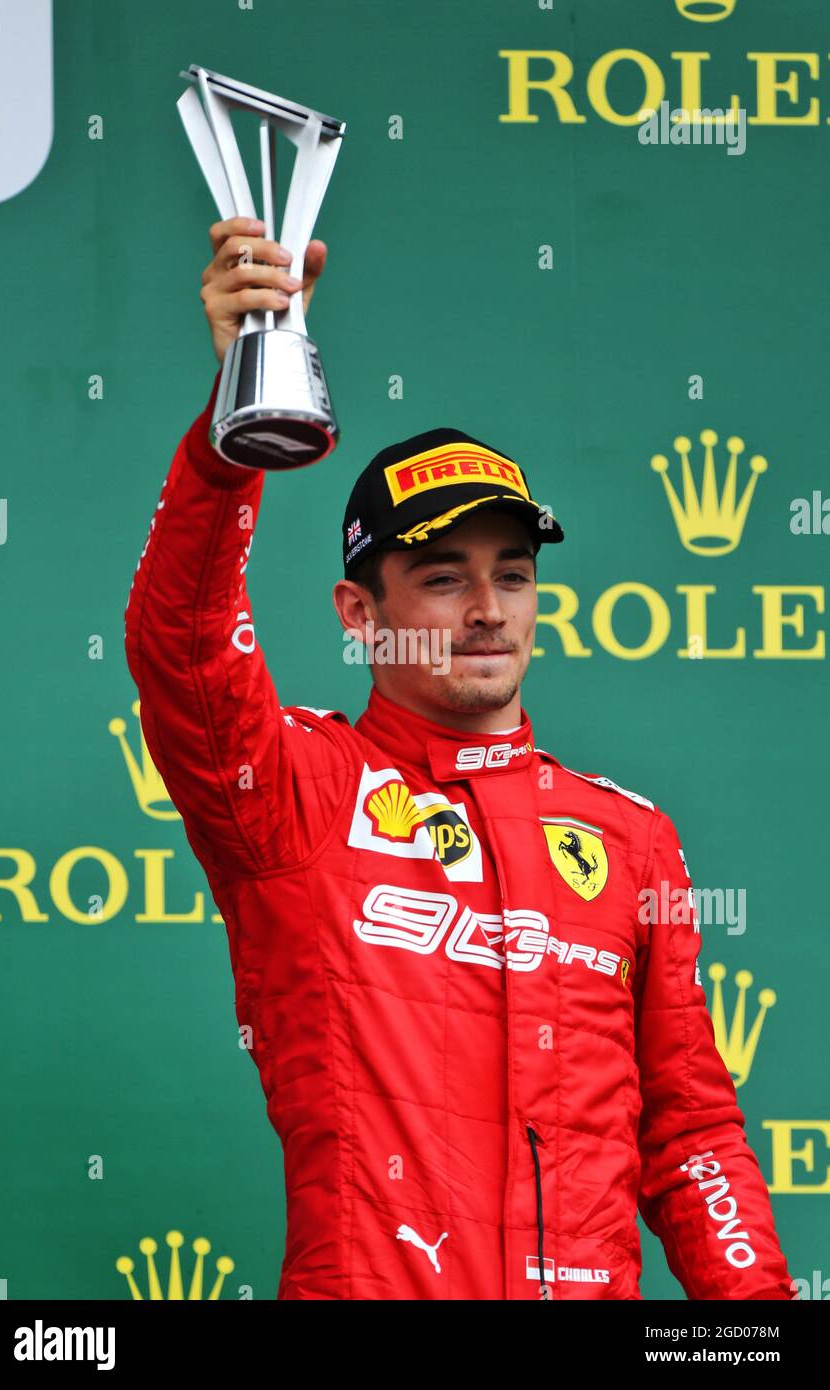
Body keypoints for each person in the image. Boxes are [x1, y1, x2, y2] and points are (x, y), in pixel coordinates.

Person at [123, 216, 794, 1301]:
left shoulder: (630, 839)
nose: (487, 611)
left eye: (512, 574)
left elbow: (689, 1134)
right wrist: (229, 441)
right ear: (358, 610)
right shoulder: (297, 794)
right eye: (440, 576)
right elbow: (183, 646)